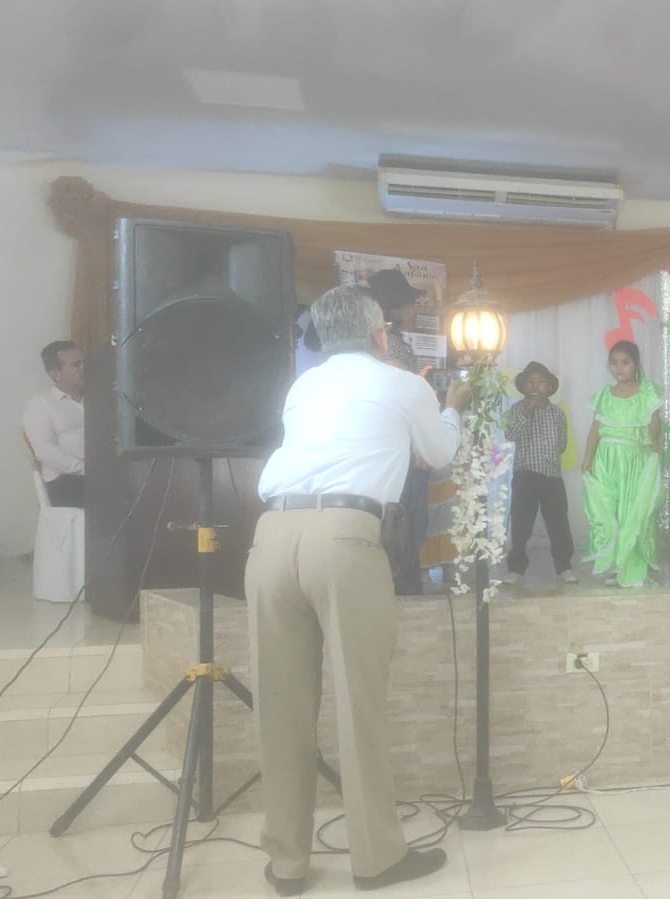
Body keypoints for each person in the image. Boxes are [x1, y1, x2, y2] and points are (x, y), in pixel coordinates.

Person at [245, 285, 455, 894]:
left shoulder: (302, 386)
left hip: (271, 537)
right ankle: (376, 857)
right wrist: (452, 407)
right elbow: (438, 452)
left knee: (280, 706)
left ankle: (288, 862)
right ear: (379, 334)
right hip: (344, 536)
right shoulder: (403, 383)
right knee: (357, 704)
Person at [365, 267, 431, 595]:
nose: (415, 308)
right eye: (410, 303)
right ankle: (404, 592)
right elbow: (401, 403)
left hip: (391, 452)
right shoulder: (391, 348)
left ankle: (402, 586)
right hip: (402, 454)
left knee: (403, 527)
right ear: (394, 308)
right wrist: (419, 446)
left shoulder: (386, 345)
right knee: (405, 527)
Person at [582, 341, 663, 588]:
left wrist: (654, 438)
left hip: (632, 459)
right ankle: (613, 565)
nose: (619, 368)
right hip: (606, 460)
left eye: (625, 362)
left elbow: (654, 424)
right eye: (614, 363)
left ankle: (634, 568)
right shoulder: (604, 394)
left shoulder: (646, 391)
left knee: (632, 511)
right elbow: (595, 429)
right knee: (608, 510)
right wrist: (588, 458)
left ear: (635, 364)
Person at [503, 362, 577, 586]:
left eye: (541, 382)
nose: (536, 386)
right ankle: (516, 569)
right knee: (521, 522)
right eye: (530, 382)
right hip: (525, 474)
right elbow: (510, 434)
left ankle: (564, 567)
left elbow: (562, 444)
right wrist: (528, 411)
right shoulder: (516, 409)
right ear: (523, 387)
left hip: (552, 475)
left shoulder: (557, 413)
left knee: (558, 522)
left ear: (550, 387)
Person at [22, 341, 86, 508]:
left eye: (84, 362)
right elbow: (45, 450)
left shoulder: (97, 400)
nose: (84, 368)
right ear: (55, 373)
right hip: (66, 483)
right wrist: (84, 469)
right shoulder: (41, 404)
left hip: (100, 478)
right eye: (76, 365)